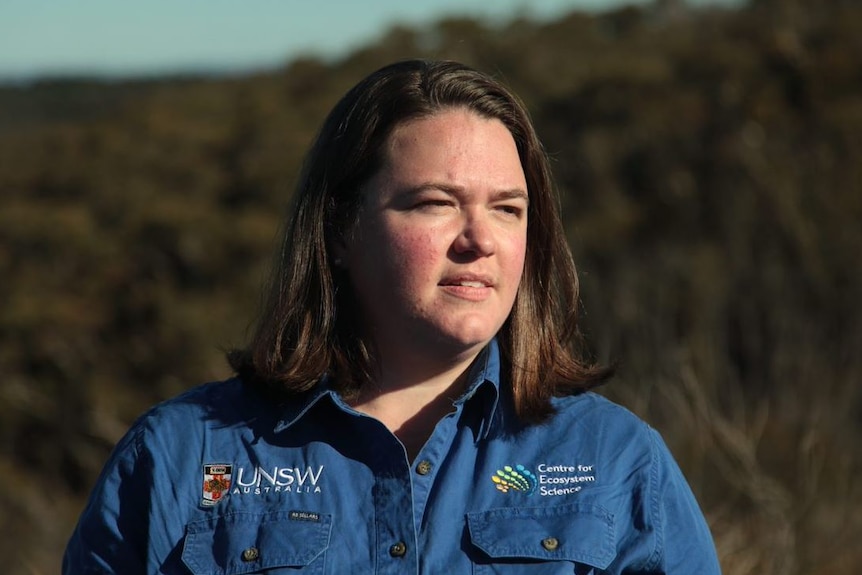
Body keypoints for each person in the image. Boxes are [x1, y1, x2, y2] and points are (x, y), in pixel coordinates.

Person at [63, 59, 721, 574]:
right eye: (437, 202)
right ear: (341, 229)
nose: (480, 239)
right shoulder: (182, 455)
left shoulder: (614, 462)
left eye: (508, 208)